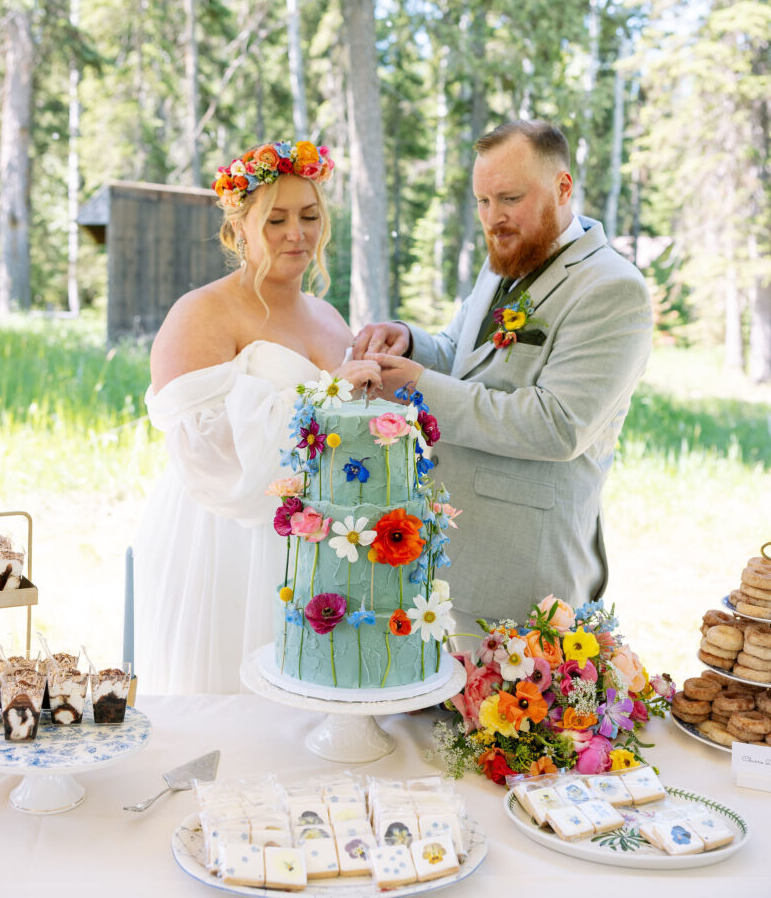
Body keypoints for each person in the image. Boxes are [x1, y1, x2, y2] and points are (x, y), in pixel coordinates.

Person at [353, 119, 653, 639]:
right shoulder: (505, 259)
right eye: (482, 201)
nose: (493, 219)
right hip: (446, 555)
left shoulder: (614, 288)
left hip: (525, 572)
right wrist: (408, 340)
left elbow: (558, 424)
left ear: (563, 188)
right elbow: (460, 355)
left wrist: (416, 385)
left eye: (509, 198)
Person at [133, 140, 381, 694]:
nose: (297, 233)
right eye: (277, 219)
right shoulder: (203, 311)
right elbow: (203, 445)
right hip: (227, 535)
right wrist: (329, 396)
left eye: (310, 216)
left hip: (320, 535)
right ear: (238, 228)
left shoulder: (328, 316)